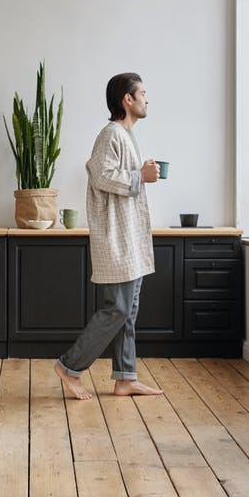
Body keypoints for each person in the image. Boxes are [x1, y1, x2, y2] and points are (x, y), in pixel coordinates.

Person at [53, 72, 165, 400]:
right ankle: (69, 366)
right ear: (127, 99)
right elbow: (100, 174)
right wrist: (139, 175)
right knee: (117, 308)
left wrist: (142, 174)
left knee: (128, 311)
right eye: (142, 93)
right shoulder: (111, 134)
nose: (147, 99)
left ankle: (125, 377)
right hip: (117, 239)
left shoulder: (127, 136)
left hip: (130, 239)